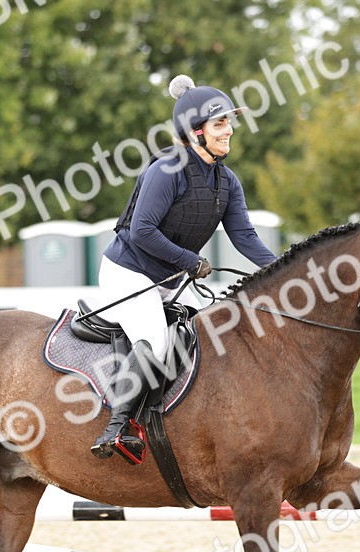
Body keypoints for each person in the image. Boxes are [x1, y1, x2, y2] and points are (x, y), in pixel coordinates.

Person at [90, 74, 277, 460]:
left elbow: (244, 237)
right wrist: (191, 261)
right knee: (157, 340)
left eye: (229, 122)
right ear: (195, 132)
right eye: (220, 123)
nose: (229, 131)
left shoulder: (227, 182)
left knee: (210, 336)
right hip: (128, 273)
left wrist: (289, 269)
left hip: (170, 280)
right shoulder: (167, 171)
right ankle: (117, 427)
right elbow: (142, 232)